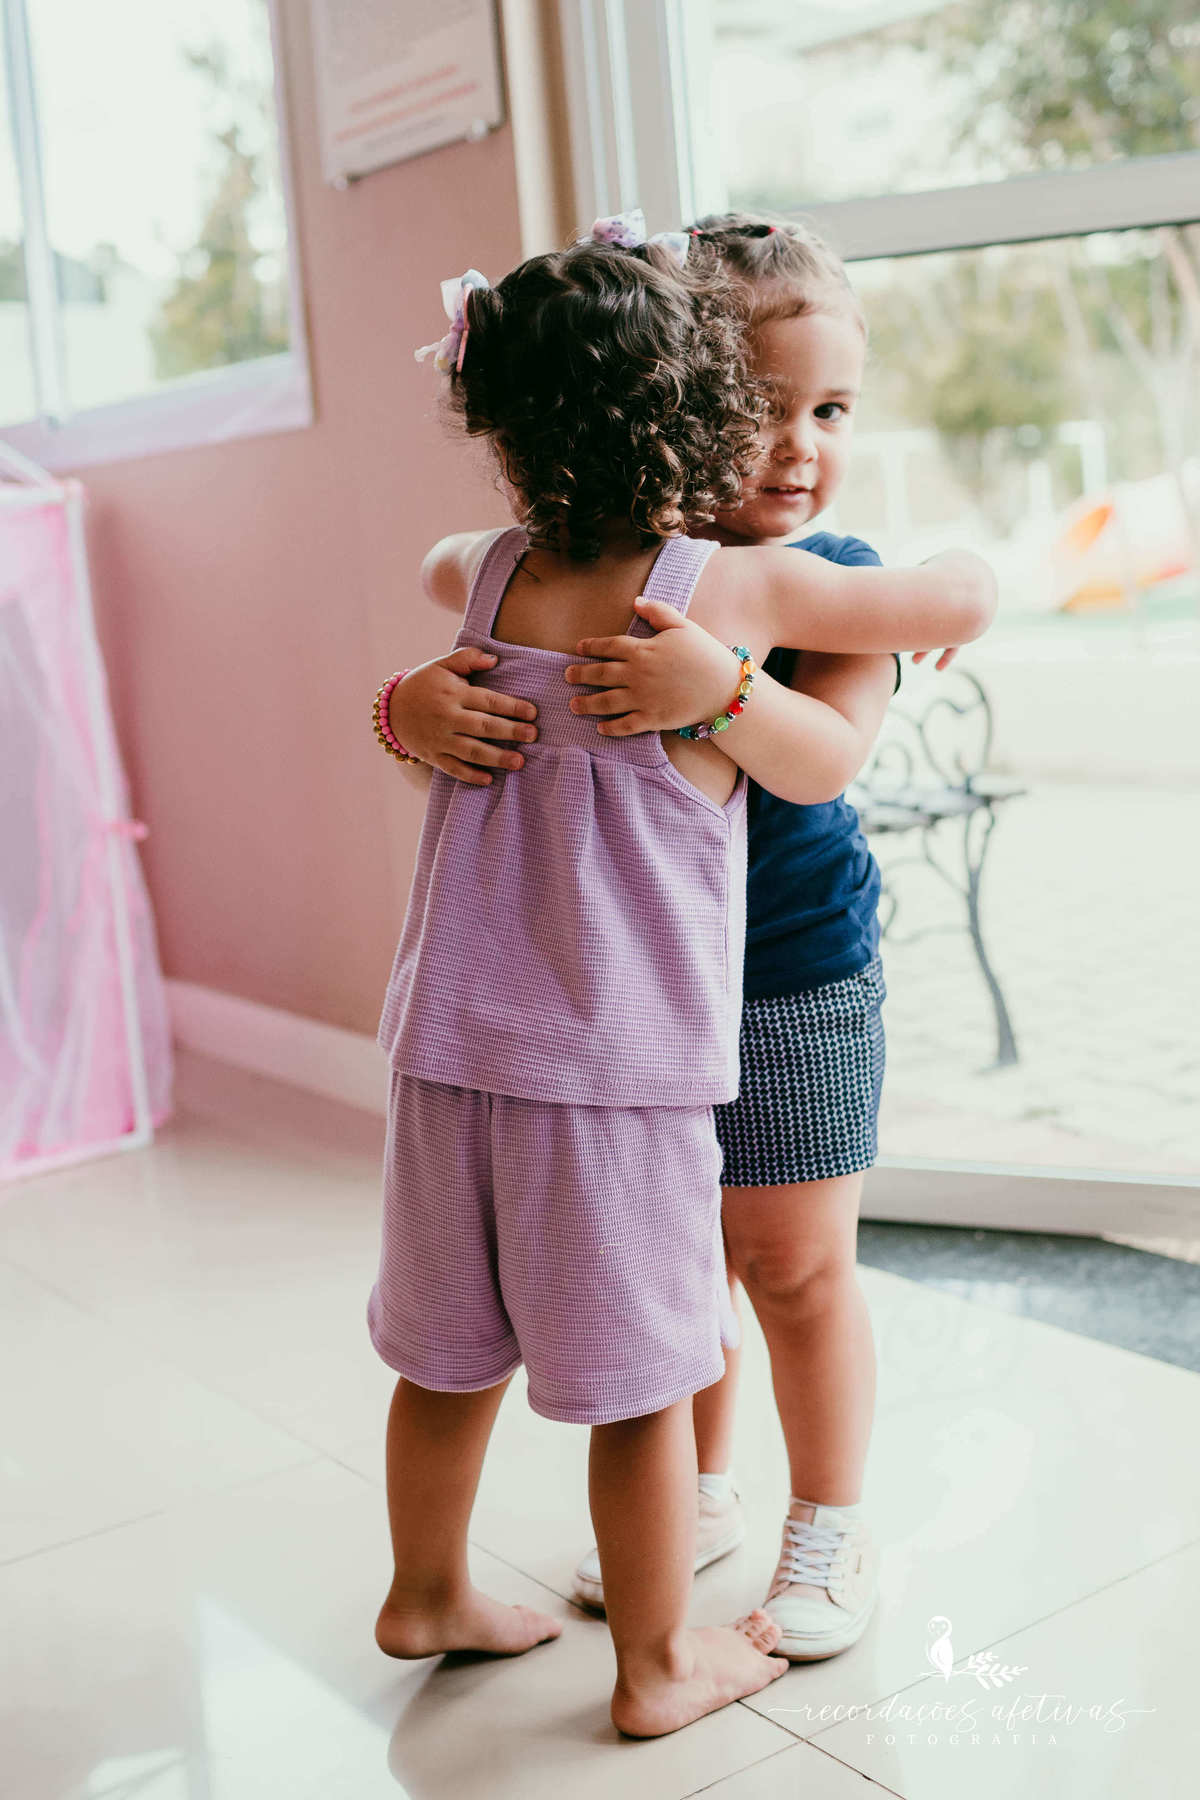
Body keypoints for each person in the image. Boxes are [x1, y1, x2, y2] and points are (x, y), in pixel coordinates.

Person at [371, 213, 995, 1739]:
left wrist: (714, 690)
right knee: (669, 1313)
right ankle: (682, 1545)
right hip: (612, 1029)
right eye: (766, 406)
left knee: (784, 1272)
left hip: (767, 986)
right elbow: (447, 602)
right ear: (678, 405)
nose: (799, 447)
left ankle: (821, 1523)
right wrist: (404, 710)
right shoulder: (643, 579)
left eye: (833, 413)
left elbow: (827, 761)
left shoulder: (792, 582)